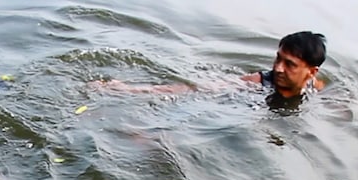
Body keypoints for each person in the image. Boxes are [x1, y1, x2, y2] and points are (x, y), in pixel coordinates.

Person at [92, 31, 327, 109]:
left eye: (290, 64)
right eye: (278, 58)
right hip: (234, 107)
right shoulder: (257, 82)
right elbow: (196, 89)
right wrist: (128, 90)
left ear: (311, 71)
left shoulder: (315, 86)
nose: (278, 68)